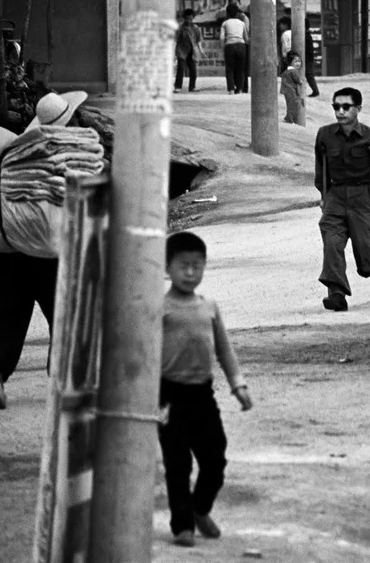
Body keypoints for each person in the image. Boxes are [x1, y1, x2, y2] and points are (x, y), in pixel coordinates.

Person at [0, 91, 89, 409]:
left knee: (8, 310)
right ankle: (62, 377)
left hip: (12, 246)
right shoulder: (68, 155)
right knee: (65, 309)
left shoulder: (17, 154)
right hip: (49, 247)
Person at [159, 231, 252, 548]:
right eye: (183, 265)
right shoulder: (160, 308)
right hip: (168, 396)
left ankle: (200, 509)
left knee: (215, 459)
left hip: (202, 394)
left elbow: (224, 351)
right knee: (178, 463)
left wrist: (237, 383)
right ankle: (182, 524)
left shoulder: (209, 307)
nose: (190, 272)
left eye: (197, 266)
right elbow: (141, 352)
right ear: (167, 267)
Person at [314, 87, 370, 311]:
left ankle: (367, 266)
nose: (340, 112)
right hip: (336, 197)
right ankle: (337, 294)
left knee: (369, 262)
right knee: (331, 243)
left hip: (364, 196)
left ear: (358, 109)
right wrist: (324, 196)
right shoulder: (324, 135)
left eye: (346, 107)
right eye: (336, 107)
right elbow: (320, 170)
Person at [174, 8, 202, 93]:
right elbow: (175, 40)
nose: (188, 20)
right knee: (181, 69)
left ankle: (192, 87)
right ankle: (178, 87)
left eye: (190, 18)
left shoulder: (196, 28)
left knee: (193, 69)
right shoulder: (180, 28)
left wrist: (201, 50)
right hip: (181, 50)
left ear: (193, 18)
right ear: (184, 18)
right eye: (187, 18)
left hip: (191, 51)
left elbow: (198, 40)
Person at [227, 0, 251, 93]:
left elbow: (246, 30)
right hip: (232, 44)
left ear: (239, 3)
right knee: (234, 67)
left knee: (243, 68)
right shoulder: (228, 16)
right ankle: (237, 86)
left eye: (236, 3)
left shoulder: (243, 17)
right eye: (232, 3)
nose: (234, 5)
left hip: (243, 43)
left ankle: (243, 87)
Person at [222, 3, 248, 94]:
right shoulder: (242, 23)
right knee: (240, 69)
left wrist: (223, 48)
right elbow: (246, 38)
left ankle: (231, 90)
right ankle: (240, 89)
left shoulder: (225, 23)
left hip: (229, 45)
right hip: (241, 45)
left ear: (227, 13)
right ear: (237, 13)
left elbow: (221, 38)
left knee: (230, 69)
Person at [279, 50, 304, 125]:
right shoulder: (294, 71)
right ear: (290, 62)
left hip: (286, 90)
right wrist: (301, 81)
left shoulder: (286, 71)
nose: (298, 63)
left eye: (299, 61)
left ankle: (289, 117)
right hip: (291, 90)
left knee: (289, 104)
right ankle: (289, 119)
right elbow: (297, 80)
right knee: (293, 105)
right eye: (296, 61)